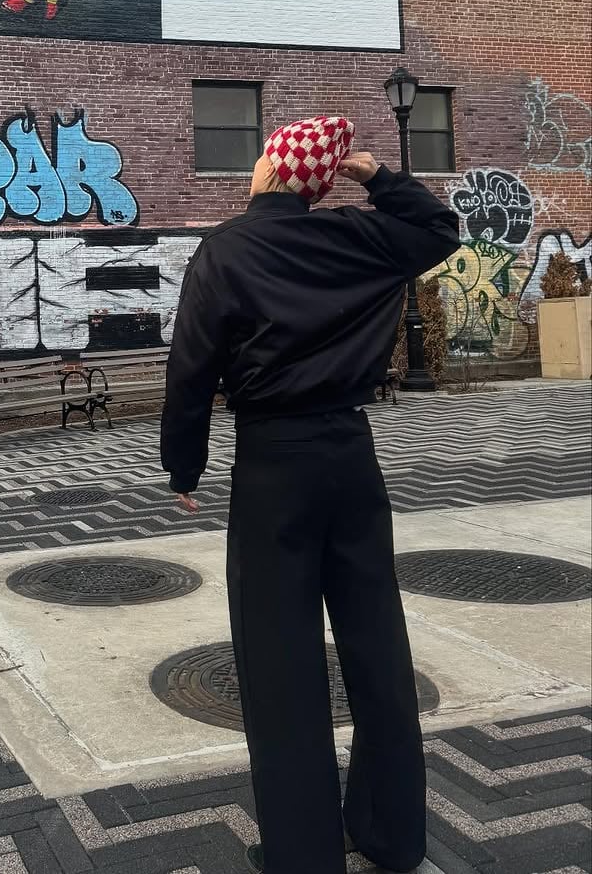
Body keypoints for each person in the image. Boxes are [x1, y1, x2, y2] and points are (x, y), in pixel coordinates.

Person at [160, 115, 460, 874]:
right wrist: (376, 176)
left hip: (273, 464)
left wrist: (184, 467)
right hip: (351, 455)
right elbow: (440, 228)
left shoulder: (226, 249)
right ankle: (391, 836)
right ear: (321, 182)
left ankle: (304, 855)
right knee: (377, 643)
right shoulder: (358, 238)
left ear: (271, 168)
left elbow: (191, 370)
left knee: (280, 662)